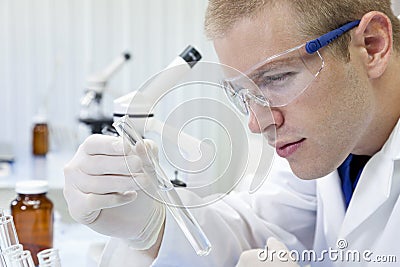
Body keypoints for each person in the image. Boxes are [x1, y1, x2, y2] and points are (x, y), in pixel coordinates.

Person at [63, 0, 400, 266]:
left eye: (276, 78)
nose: (257, 123)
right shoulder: (332, 142)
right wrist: (152, 224)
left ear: (372, 45)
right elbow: (260, 232)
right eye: (244, 94)